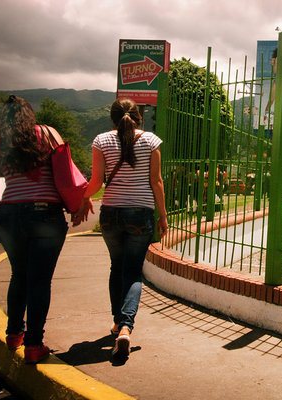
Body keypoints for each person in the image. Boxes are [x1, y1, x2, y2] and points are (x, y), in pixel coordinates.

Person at [76, 98, 168, 360]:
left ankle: (118, 323)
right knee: (133, 273)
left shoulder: (101, 141)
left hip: (111, 214)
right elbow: (156, 181)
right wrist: (163, 216)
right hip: (141, 214)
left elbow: (95, 181)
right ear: (138, 116)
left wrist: (82, 199)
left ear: (113, 118)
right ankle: (126, 326)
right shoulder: (151, 141)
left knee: (117, 268)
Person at [0, 95, 69, 364]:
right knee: (40, 280)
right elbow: (65, 174)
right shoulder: (48, 133)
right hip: (45, 213)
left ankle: (14, 335)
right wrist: (77, 204)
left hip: (9, 216)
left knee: (19, 275)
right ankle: (34, 344)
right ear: (29, 114)